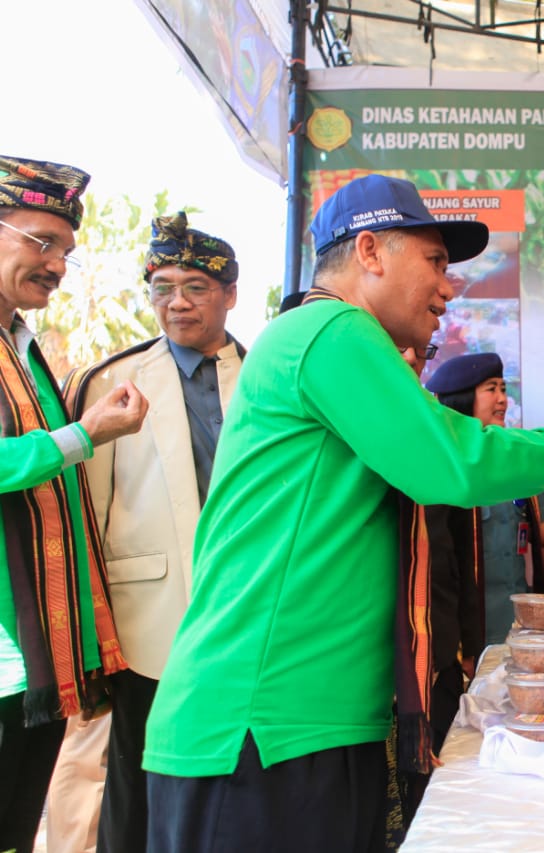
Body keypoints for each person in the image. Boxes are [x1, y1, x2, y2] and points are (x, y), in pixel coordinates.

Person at [140, 174, 544, 853]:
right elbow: (453, 459)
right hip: (261, 723)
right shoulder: (330, 328)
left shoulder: (332, 340)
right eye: (436, 262)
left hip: (307, 722)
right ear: (370, 251)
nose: (449, 286)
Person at [50, 213, 245, 853]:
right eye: (162, 287)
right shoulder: (110, 381)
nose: (177, 302)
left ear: (230, 293)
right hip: (146, 623)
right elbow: (88, 516)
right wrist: (92, 634)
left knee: (234, 780)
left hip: (244, 608)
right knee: (133, 788)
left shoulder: (264, 375)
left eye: (195, 287)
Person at [0, 155, 148, 853]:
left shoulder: (22, 347)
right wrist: (83, 434)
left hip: (34, 658)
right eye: (42, 242)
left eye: (65, 249)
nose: (58, 265)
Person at [421, 353, 544, 750]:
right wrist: (458, 645)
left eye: (504, 389)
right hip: (470, 629)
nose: (502, 399)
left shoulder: (518, 464)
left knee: (518, 720)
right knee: (463, 735)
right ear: (462, 400)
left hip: (518, 626)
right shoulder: (446, 473)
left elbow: (537, 530)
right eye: (491, 390)